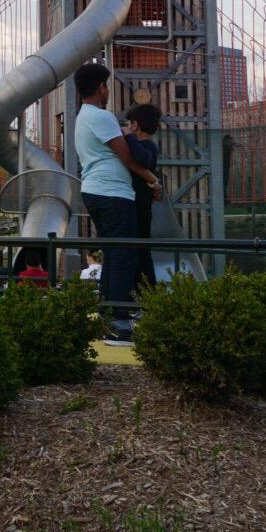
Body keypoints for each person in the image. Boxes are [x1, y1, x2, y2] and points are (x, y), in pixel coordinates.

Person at [74, 62, 160, 344]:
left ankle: (109, 317)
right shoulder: (102, 117)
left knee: (113, 254)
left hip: (94, 191)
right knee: (124, 254)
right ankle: (120, 324)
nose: (107, 90)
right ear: (101, 88)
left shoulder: (82, 116)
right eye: (106, 86)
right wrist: (153, 180)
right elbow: (128, 157)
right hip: (113, 194)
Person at [123, 103, 162, 293]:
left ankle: (147, 292)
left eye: (130, 124)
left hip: (141, 205)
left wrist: (129, 137)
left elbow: (144, 159)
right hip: (138, 203)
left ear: (135, 125)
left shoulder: (148, 147)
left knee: (141, 250)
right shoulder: (143, 145)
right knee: (138, 249)